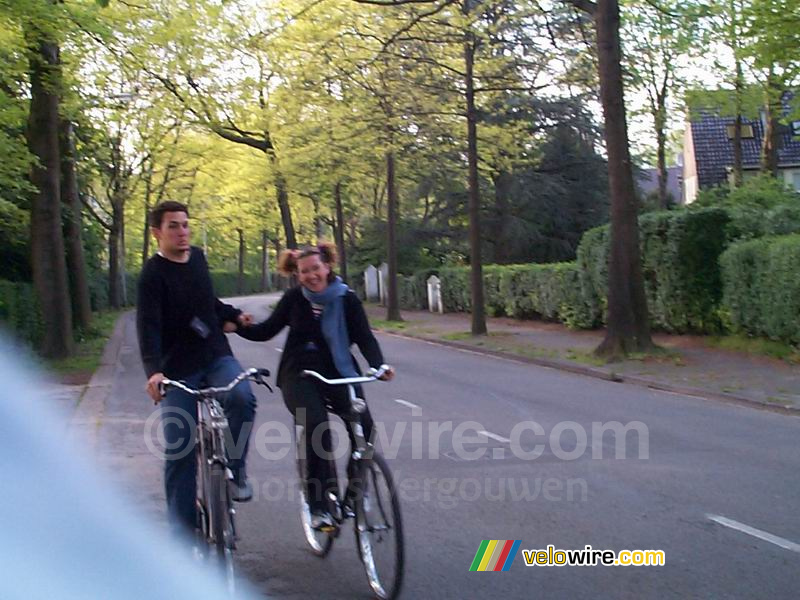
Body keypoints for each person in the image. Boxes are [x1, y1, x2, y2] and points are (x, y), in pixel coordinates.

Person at [236, 242, 394, 530]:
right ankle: (319, 505)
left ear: (328, 267)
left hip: (340, 371)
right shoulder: (294, 299)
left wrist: (378, 365)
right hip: (300, 374)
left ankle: (356, 494)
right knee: (317, 424)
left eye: (316, 269)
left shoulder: (348, 299)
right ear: (297, 274)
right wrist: (238, 324)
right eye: (304, 271)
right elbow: (266, 330)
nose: (311, 276)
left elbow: (365, 338)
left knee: (365, 429)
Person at [136, 200, 257, 538]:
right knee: (179, 447)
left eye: (186, 224)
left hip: (215, 354)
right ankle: (183, 534)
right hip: (177, 368)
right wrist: (154, 371)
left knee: (242, 397)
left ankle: (234, 470)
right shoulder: (152, 275)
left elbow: (207, 305)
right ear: (157, 232)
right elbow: (148, 327)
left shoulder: (199, 258)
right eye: (173, 225)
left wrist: (232, 316)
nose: (183, 232)